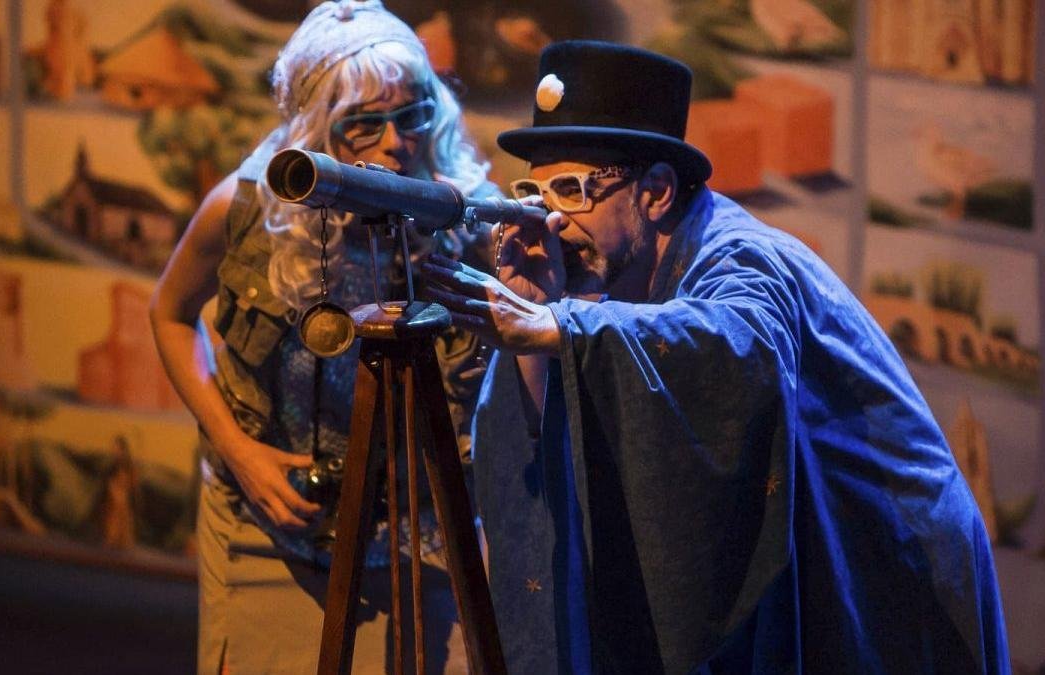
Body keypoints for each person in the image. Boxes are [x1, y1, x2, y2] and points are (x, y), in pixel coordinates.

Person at [421, 41, 1010, 674]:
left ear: (655, 191)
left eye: (572, 190)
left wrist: (562, 326)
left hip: (884, 570)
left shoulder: (744, 257)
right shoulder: (610, 278)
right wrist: (538, 331)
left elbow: (736, 341)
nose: (553, 222)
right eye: (536, 194)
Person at [149, 2, 494, 672]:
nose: (396, 143)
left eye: (412, 114)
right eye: (364, 125)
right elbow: (167, 313)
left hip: (422, 537)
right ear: (315, 130)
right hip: (270, 532)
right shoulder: (243, 208)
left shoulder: (466, 216)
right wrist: (238, 448)